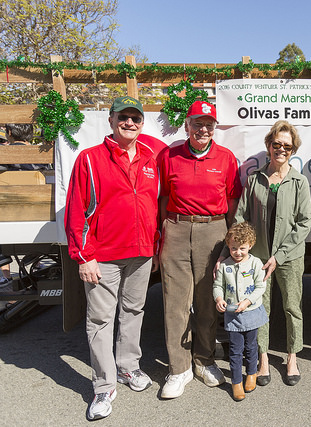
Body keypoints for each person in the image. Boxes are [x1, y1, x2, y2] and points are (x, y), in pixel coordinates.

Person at [64, 96, 164, 420]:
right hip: (102, 256)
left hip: (142, 253)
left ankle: (128, 368)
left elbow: (155, 207)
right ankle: (103, 386)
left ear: (142, 123)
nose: (130, 123)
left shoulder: (150, 159)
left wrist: (157, 247)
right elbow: (77, 212)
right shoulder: (90, 159)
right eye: (123, 117)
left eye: (136, 118)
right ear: (111, 120)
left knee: (134, 311)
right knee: (100, 321)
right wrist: (84, 257)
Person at [158, 100, 242, 399]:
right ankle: (178, 368)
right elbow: (163, 196)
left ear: (214, 128)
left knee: (208, 301)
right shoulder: (169, 156)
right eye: (197, 123)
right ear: (187, 125)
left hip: (213, 229)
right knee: (175, 303)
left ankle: (204, 360)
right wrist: (162, 233)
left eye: (208, 124)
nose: (203, 128)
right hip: (177, 228)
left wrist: (230, 239)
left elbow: (232, 199)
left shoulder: (226, 158)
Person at [234, 120, 311, 386]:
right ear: (268, 146)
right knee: (260, 308)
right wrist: (240, 251)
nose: (281, 149)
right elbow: (241, 217)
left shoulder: (299, 181)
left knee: (292, 307)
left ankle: (292, 357)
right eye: (276, 144)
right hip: (257, 258)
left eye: (287, 146)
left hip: (288, 258)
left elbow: (304, 222)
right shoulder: (255, 180)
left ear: (293, 150)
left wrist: (279, 255)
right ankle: (263, 357)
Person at [213, 222, 268, 401]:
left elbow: (260, 287)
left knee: (251, 346)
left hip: (251, 312)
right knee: (236, 350)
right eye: (233, 248)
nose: (238, 252)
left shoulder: (255, 263)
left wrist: (247, 301)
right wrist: (219, 299)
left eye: (242, 248)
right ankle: (236, 382)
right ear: (228, 246)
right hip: (233, 316)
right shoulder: (225, 266)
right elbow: (218, 286)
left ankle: (251, 373)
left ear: (250, 245)